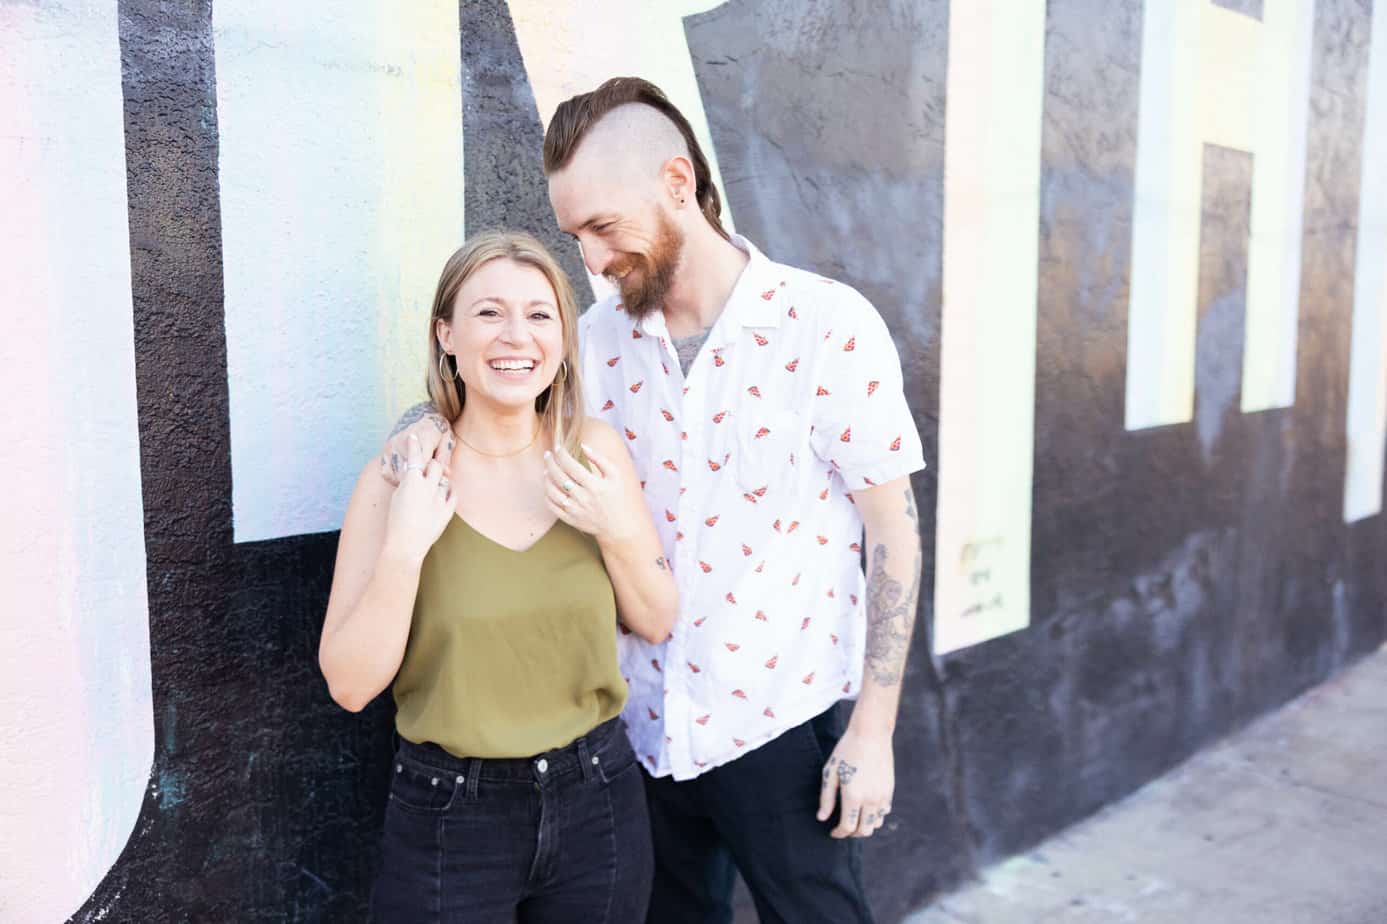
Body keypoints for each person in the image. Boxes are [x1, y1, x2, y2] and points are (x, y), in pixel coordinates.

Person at [381, 78, 925, 924]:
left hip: (775, 723)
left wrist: (874, 732)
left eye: (602, 228)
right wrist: (423, 426)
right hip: (634, 737)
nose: (591, 260)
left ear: (678, 184)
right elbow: (495, 405)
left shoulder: (825, 325)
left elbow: (893, 529)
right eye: (575, 236)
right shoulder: (593, 343)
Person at [320, 230, 676, 922]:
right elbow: (350, 684)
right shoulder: (400, 477)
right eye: (488, 313)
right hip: (451, 816)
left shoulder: (594, 456)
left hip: (598, 800)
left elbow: (656, 619)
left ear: (564, 338)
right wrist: (405, 548)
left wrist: (617, 527)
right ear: (445, 334)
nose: (517, 335)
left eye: (540, 315)